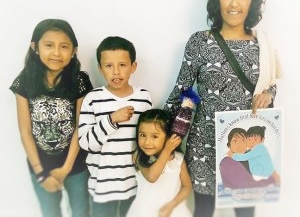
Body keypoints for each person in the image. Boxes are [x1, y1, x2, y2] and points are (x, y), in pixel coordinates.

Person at [164, 0, 282, 216]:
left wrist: (269, 94)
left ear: (252, 0)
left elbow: (270, 84)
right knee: (204, 212)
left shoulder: (262, 44)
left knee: (245, 211)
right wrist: (159, 139)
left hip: (245, 149)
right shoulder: (199, 42)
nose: (235, 3)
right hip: (204, 148)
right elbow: (180, 93)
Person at [10, 19, 93, 217]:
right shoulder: (24, 81)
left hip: (75, 164)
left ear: (74, 50)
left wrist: (66, 168)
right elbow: (25, 131)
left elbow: (80, 127)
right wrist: (40, 173)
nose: (56, 53)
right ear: (35, 47)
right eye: (49, 45)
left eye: (64, 46)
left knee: (81, 211)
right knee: (49, 212)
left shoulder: (79, 81)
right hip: (40, 164)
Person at [78, 36, 152, 217]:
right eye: (109, 66)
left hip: (134, 181)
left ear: (133, 67)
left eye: (122, 65)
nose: (116, 72)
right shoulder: (93, 99)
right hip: (102, 182)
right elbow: (85, 143)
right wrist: (111, 120)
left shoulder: (143, 98)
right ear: (100, 69)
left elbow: (147, 138)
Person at [127, 109, 192, 217]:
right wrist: (167, 149)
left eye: (154, 136)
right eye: (143, 135)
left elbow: (187, 186)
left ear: (168, 137)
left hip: (173, 211)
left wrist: (172, 205)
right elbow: (152, 177)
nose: (147, 142)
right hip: (144, 212)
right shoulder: (138, 156)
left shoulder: (178, 159)